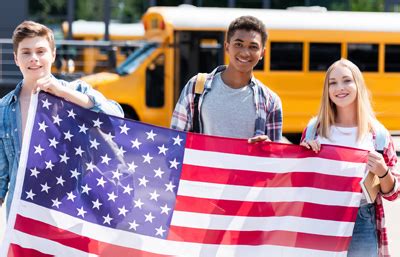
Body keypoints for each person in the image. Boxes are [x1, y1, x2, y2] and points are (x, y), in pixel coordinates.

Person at [0, 21, 124, 217]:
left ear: (53, 55)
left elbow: (116, 118)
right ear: (16, 59)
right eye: (26, 52)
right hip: (24, 217)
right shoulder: (4, 109)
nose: (34, 58)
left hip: (73, 212)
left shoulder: (77, 91)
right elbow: (2, 175)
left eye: (41, 51)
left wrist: (63, 92)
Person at [300, 58, 399, 257]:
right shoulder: (313, 131)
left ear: (358, 85)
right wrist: (302, 157)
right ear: (326, 90)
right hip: (320, 217)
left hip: (361, 218)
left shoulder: (377, 135)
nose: (340, 88)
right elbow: (298, 184)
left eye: (347, 80)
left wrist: (382, 171)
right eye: (333, 83)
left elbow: (393, 193)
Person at [170, 16, 282, 142]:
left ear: (262, 53)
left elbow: (274, 158)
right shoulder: (196, 86)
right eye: (238, 44)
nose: (245, 53)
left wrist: (268, 148)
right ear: (227, 47)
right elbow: (175, 141)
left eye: (253, 47)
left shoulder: (271, 102)